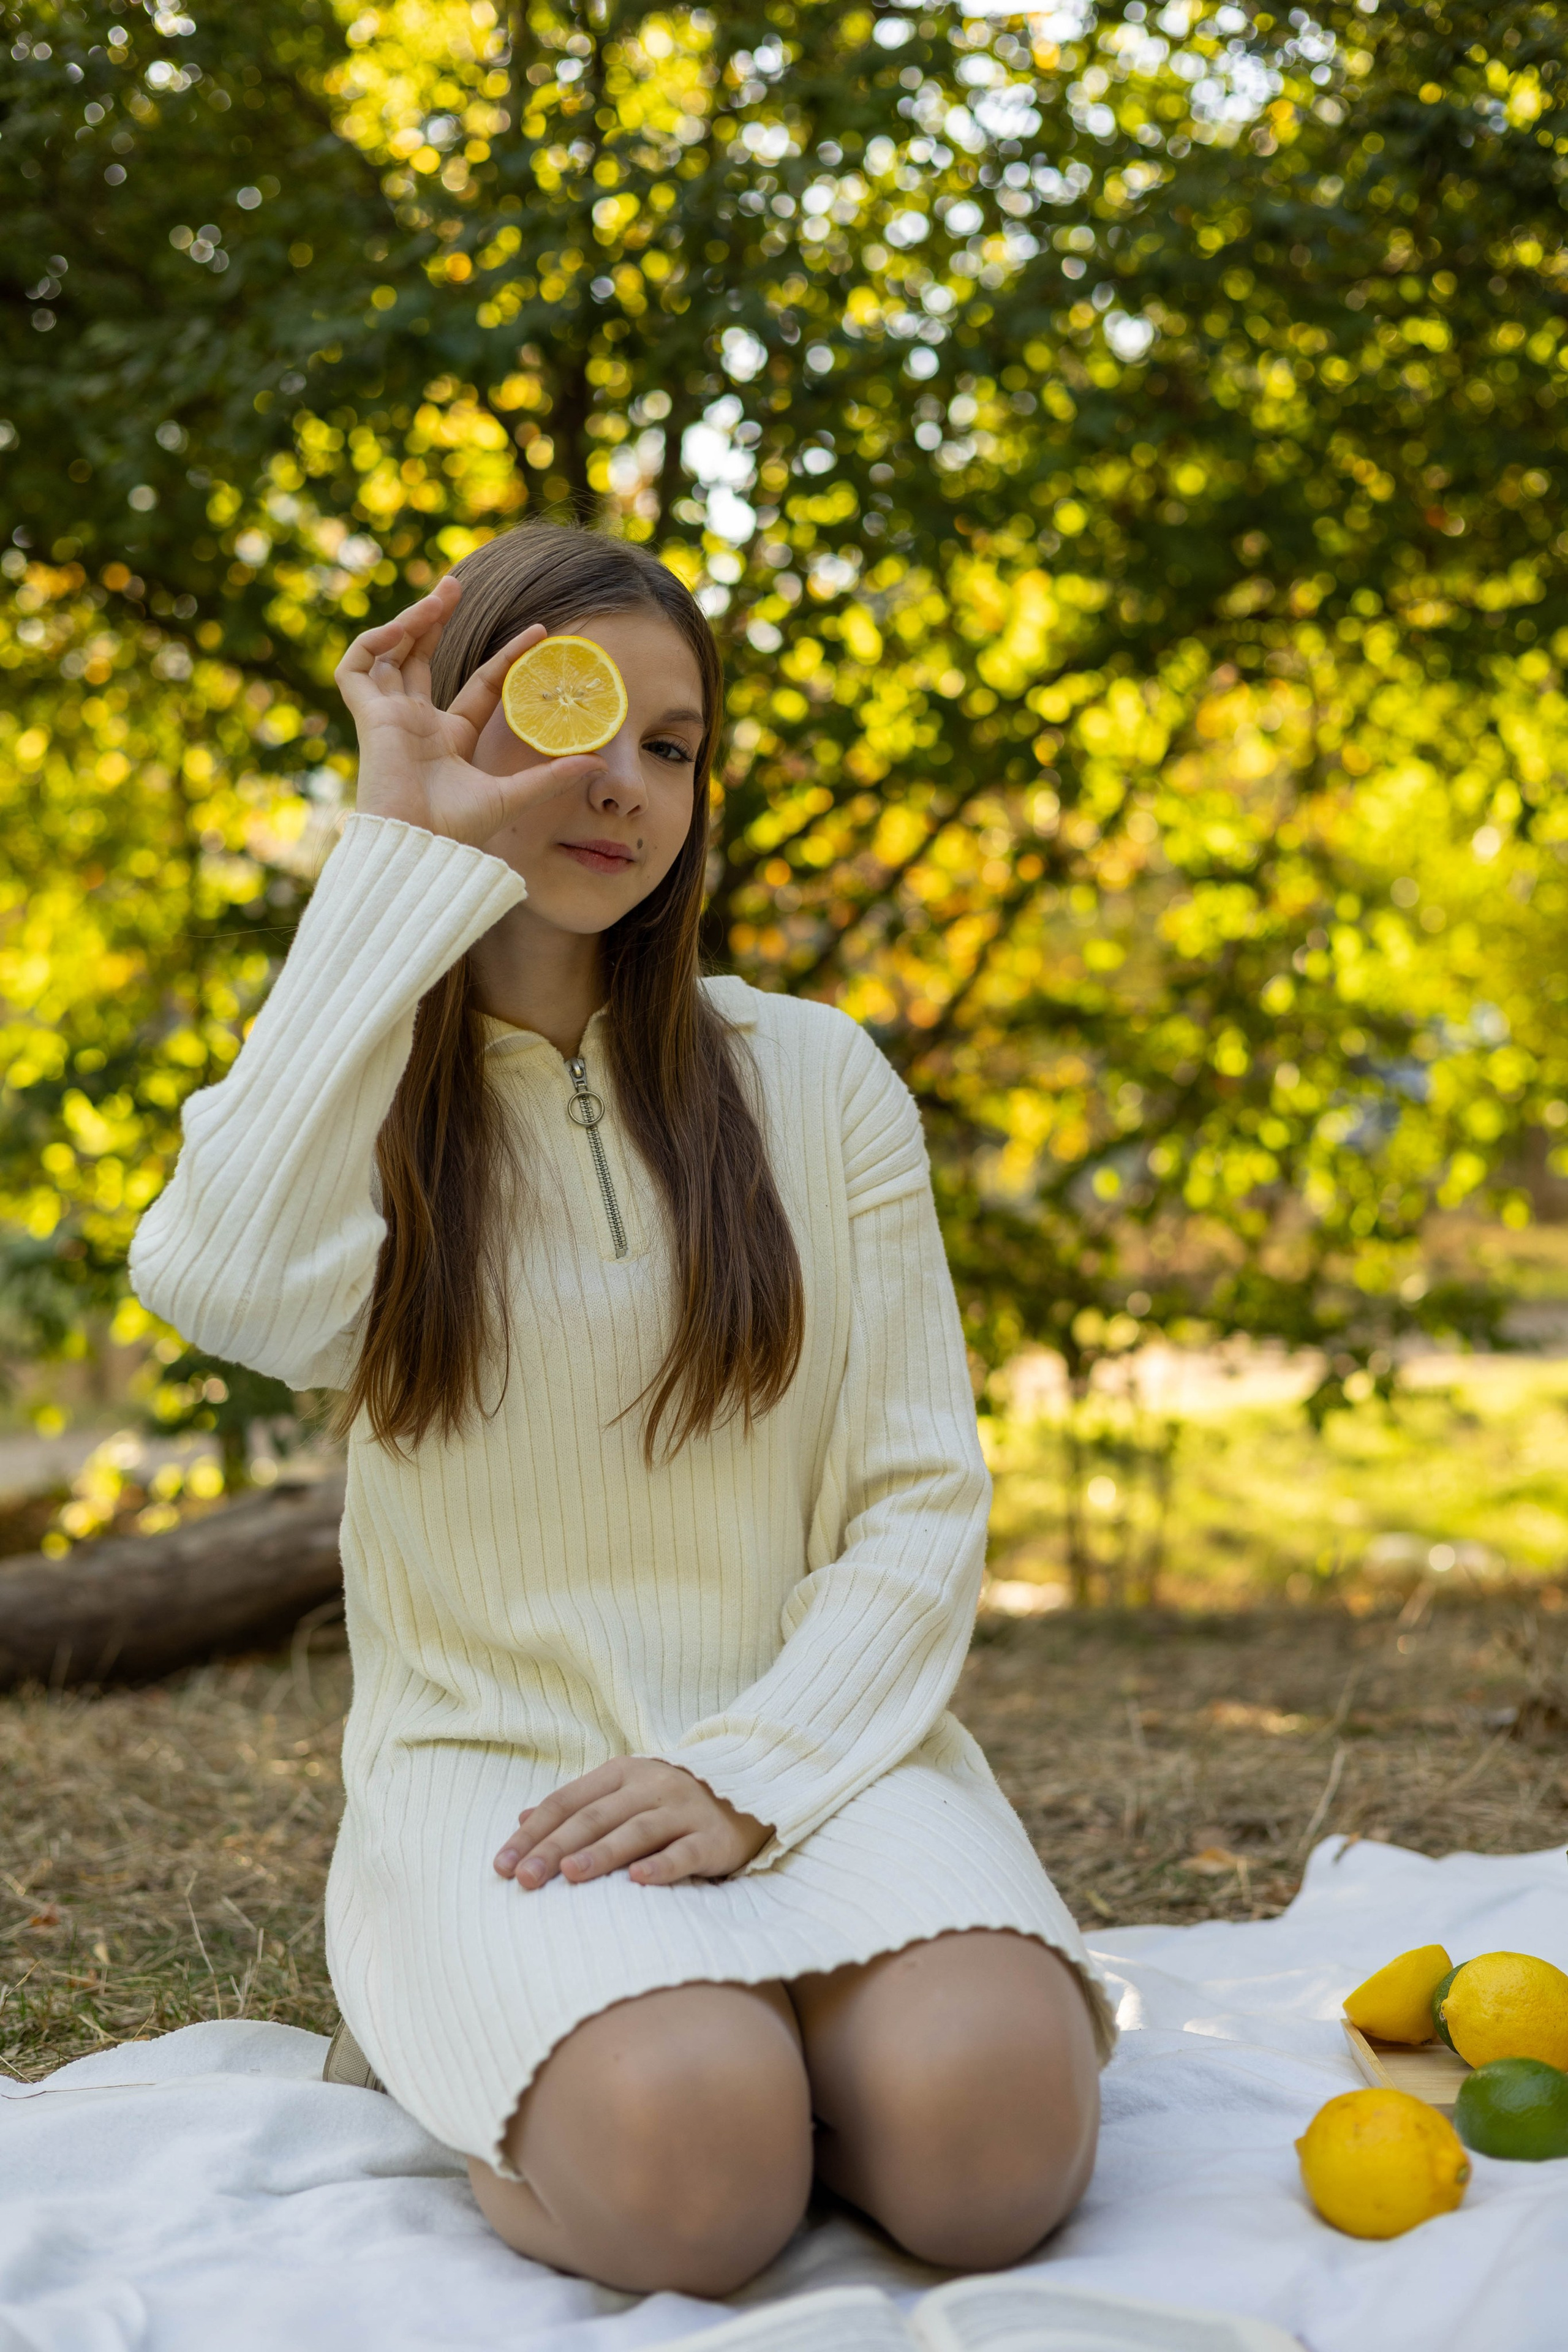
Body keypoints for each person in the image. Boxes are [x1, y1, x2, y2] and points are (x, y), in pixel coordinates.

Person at [130, 522, 1114, 2299]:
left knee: (994, 2149)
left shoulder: (812, 1077)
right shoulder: (363, 1102)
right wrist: (397, 853)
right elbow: (212, 1278)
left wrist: (753, 1774)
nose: (621, 783)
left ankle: (794, 2043)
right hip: (503, 1785)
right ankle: (615, 2052)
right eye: (565, 716)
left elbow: (916, 1500)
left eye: (673, 746)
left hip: (816, 1756)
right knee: (697, 2179)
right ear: (448, 724)